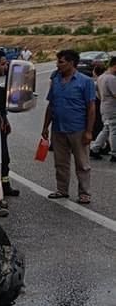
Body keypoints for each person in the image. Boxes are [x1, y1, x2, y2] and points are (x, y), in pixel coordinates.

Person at [41, 49, 96, 204]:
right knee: (60, 162)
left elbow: (91, 107)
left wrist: (89, 132)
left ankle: (84, 193)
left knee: (82, 164)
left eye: (61, 62)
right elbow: (51, 105)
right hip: (58, 129)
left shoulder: (85, 81)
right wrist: (46, 127)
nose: (58, 65)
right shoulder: (56, 80)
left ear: (71, 63)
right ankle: (62, 190)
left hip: (78, 129)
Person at [0, 50, 19, 204]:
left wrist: (5, 119)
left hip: (1, 125)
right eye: (2, 64)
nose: (5, 66)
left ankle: (5, 184)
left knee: (5, 157)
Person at [90, 57, 116, 161]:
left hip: (104, 106)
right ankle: (115, 153)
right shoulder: (112, 79)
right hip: (112, 108)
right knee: (114, 130)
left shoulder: (101, 77)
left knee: (106, 129)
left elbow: (99, 94)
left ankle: (95, 148)